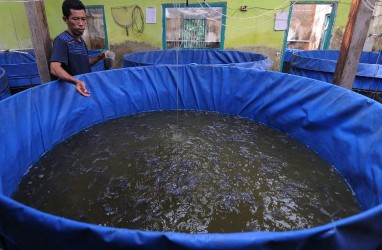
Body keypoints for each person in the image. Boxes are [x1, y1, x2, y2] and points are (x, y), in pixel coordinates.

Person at [50, 0, 106, 97]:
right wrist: (76, 82)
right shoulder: (62, 40)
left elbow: (83, 63)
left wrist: (99, 57)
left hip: (84, 88)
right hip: (71, 93)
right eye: (75, 19)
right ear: (65, 19)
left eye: (83, 19)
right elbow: (54, 68)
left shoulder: (81, 41)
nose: (81, 23)